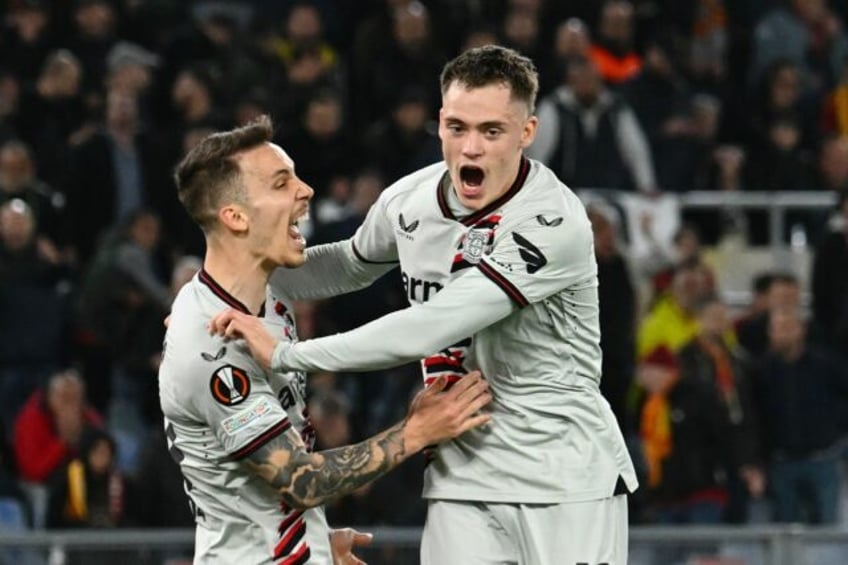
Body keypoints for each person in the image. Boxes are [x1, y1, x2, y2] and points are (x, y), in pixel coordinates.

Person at [212, 45, 638, 565]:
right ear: (439, 123)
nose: (471, 148)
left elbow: (428, 327)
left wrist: (286, 354)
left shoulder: (552, 223)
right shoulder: (409, 201)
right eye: (457, 128)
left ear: (527, 133)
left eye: (491, 131)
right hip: (462, 473)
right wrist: (226, 278)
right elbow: (348, 264)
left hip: (563, 478)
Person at [159, 115, 493, 565]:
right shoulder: (209, 345)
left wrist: (312, 538)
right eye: (281, 183)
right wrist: (414, 433)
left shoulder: (268, 292)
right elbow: (300, 480)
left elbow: (352, 263)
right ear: (235, 217)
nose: (306, 190)